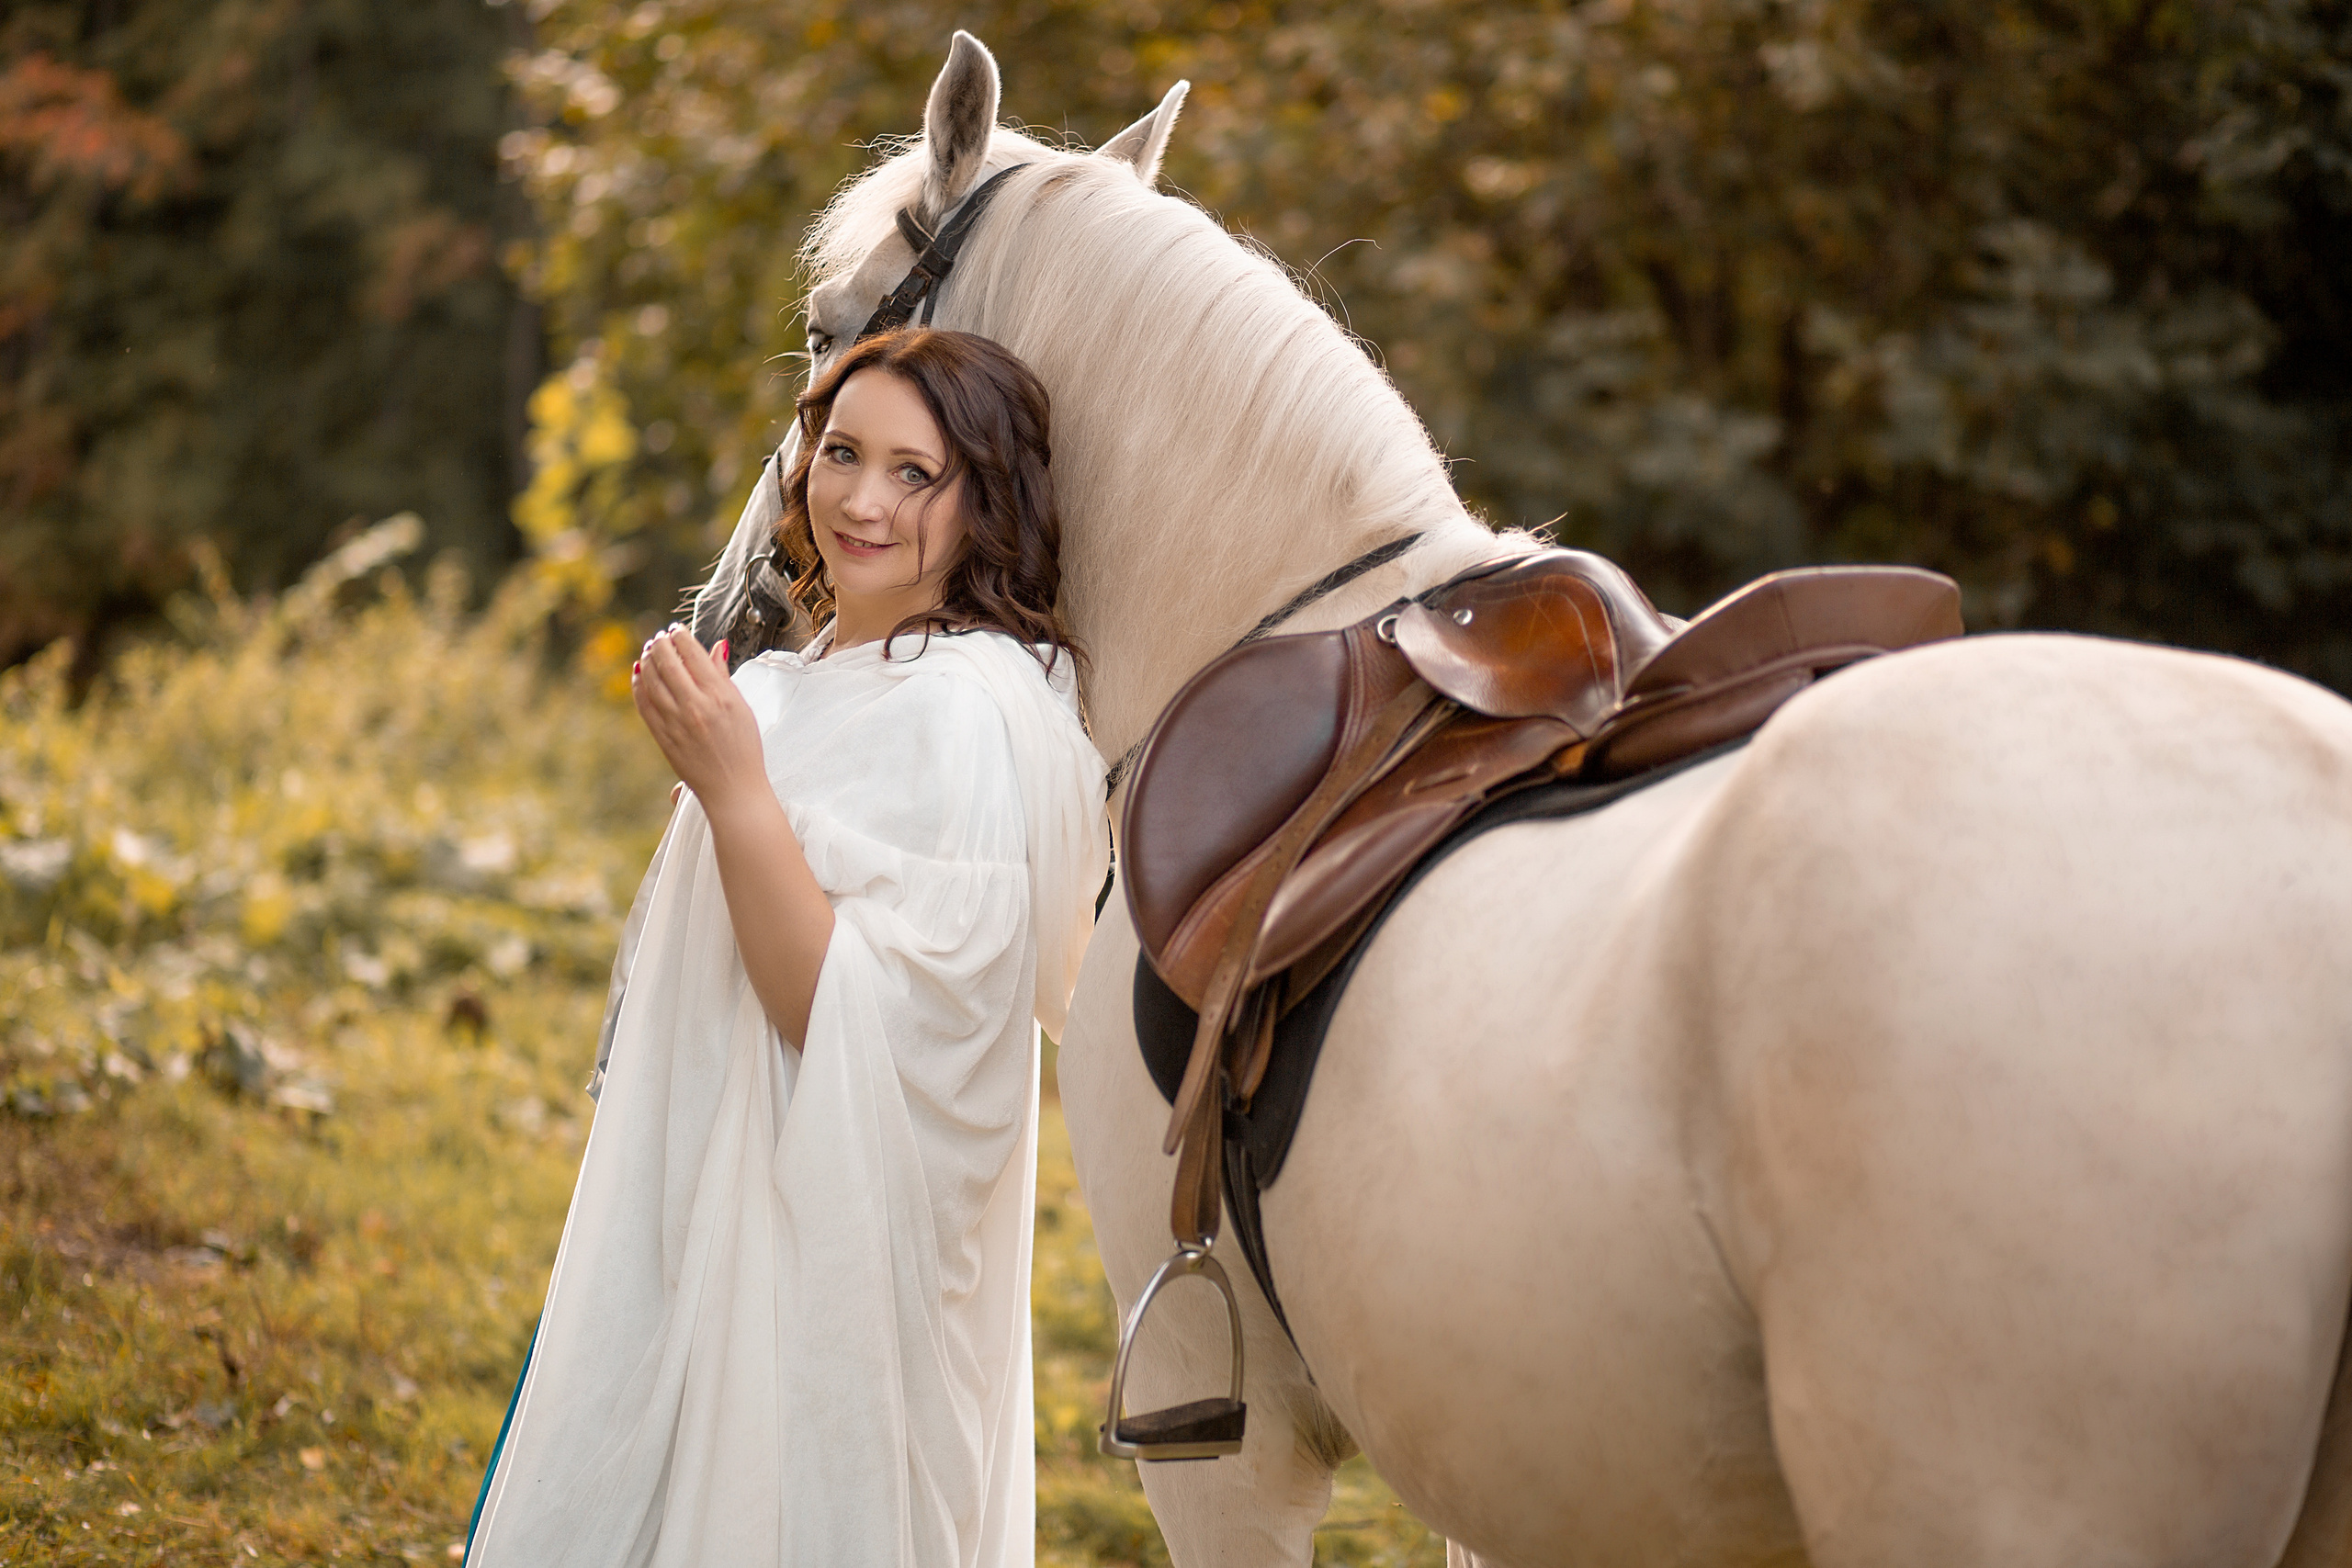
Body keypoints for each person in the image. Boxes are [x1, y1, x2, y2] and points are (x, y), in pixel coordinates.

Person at [462, 329, 1108, 1568]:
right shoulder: (803, 678)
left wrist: (741, 796)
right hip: (699, 1196)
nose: (862, 500)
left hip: (822, 1272)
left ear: (989, 499)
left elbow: (853, 1025)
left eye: (916, 474)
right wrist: (726, 785)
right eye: (843, 453)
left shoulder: (969, 708)